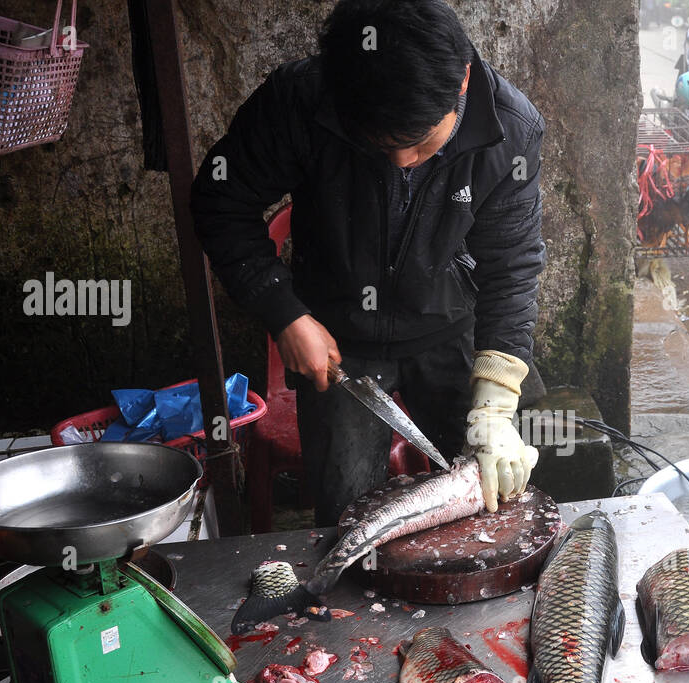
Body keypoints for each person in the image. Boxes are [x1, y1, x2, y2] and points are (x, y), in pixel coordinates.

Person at [190, 0, 545, 525]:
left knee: (494, 504)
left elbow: (511, 267)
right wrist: (284, 312)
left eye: (421, 143)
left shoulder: (510, 132)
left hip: (451, 330)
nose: (403, 162)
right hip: (339, 342)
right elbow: (220, 200)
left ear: (463, 80)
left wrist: (494, 404)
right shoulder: (302, 100)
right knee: (351, 521)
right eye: (380, 146)